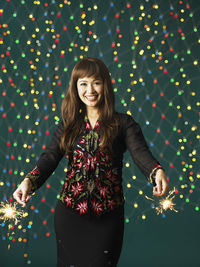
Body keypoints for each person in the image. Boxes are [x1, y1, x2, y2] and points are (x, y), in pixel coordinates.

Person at [13, 57, 169, 267]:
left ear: (105, 84)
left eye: (96, 82)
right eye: (83, 84)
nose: (90, 90)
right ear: (75, 88)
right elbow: (50, 157)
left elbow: (140, 152)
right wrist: (28, 182)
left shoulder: (124, 124)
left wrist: (156, 171)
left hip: (108, 217)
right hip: (69, 215)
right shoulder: (69, 126)